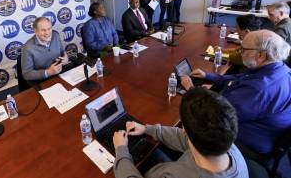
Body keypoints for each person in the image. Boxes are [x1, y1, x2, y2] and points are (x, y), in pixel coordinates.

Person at [181, 30, 291, 157]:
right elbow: (241, 78)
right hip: (257, 127)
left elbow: (214, 115)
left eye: (243, 49)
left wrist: (191, 89)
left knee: (189, 123)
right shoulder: (279, 69)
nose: (240, 52)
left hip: (245, 142)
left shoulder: (259, 89)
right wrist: (208, 75)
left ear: (261, 55)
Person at [113, 87, 248, 178]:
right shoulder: (226, 144)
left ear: (184, 129)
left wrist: (121, 150)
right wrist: (147, 129)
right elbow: (186, 138)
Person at [21, 17, 68, 82]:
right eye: (43, 30)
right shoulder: (27, 48)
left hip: (60, 75)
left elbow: (63, 53)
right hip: (43, 81)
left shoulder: (56, 35)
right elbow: (26, 74)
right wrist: (48, 72)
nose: (47, 33)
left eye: (49, 29)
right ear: (36, 31)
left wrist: (66, 58)